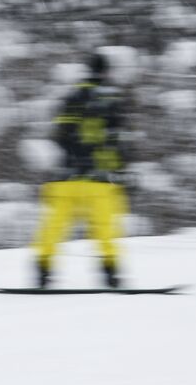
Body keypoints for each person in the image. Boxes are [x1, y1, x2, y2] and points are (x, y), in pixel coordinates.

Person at [32, 51, 129, 289]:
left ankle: (42, 271)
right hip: (98, 180)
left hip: (66, 178)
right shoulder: (111, 98)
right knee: (105, 228)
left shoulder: (71, 96)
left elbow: (60, 135)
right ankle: (111, 275)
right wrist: (120, 170)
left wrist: (70, 161)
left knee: (54, 226)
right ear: (107, 72)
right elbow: (115, 140)